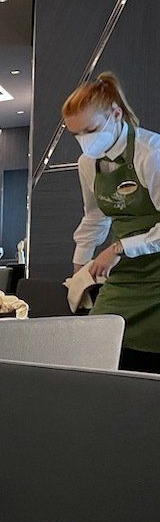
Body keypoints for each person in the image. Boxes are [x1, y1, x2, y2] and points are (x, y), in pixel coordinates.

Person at [64, 71, 160, 373]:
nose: (84, 141)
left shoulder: (151, 153)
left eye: (90, 130)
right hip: (127, 275)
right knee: (96, 345)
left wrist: (119, 248)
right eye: (76, 135)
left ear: (116, 114)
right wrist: (80, 269)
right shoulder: (87, 163)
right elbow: (94, 217)